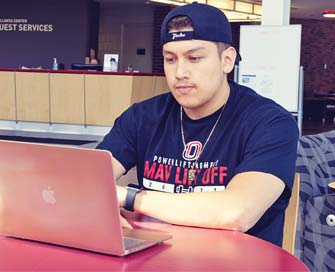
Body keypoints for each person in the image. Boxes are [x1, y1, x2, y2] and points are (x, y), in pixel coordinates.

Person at [97, 2, 299, 247]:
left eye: (194, 58)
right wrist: (100, 206)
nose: (180, 72)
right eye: (170, 59)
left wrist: (128, 197)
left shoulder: (270, 122)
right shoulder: (142, 116)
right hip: (154, 259)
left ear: (227, 60)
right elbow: (86, 182)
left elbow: (236, 211)